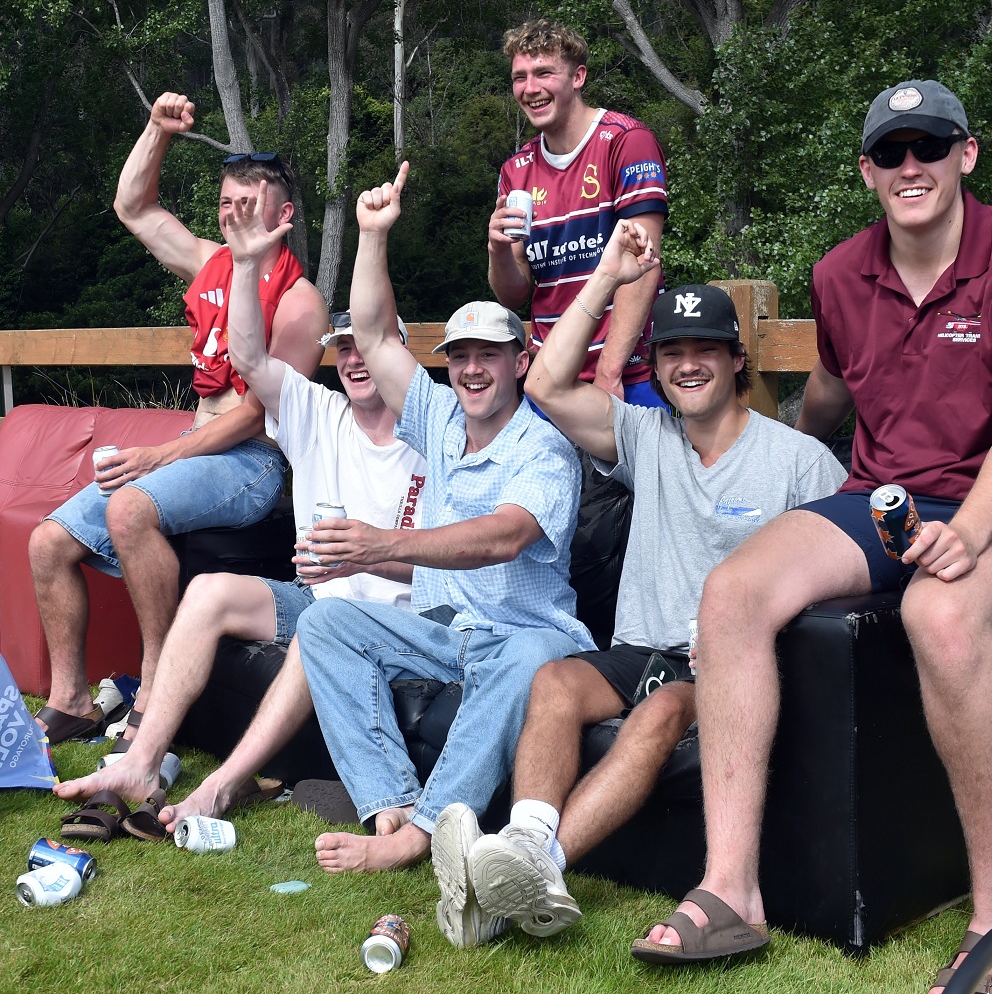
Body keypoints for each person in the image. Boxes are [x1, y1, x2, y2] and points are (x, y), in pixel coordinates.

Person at [632, 80, 992, 991]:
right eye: (891, 152)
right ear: (868, 172)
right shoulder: (842, 273)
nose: (910, 165)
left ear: (967, 153)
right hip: (887, 496)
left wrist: (974, 533)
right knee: (733, 592)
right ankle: (732, 891)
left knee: (942, 616)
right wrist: (788, 442)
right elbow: (836, 391)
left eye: (930, 146)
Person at [430, 221, 847, 947]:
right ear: (655, 366)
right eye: (673, 353)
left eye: (705, 351)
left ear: (737, 359)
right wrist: (608, 278)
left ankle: (534, 866)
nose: (689, 366)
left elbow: (842, 567)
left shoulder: (798, 461)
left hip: (722, 662)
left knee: (658, 717)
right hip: (636, 647)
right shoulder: (645, 436)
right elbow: (547, 382)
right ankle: (524, 844)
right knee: (554, 682)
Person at [53, 179, 427, 812]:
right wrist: (249, 264)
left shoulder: (434, 433)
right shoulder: (318, 414)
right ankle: (140, 764)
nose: (356, 359)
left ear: (396, 354)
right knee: (209, 592)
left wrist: (366, 555)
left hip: (400, 616)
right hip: (316, 598)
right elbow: (250, 358)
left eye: (370, 346)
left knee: (328, 619)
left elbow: (458, 561)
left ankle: (217, 787)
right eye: (342, 349)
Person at [289, 161, 594, 881]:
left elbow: (506, 536)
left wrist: (381, 545)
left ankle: (422, 830)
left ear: (522, 359)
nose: (473, 369)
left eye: (489, 354)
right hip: (444, 635)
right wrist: (371, 235)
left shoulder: (544, 448)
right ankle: (387, 802)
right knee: (324, 623)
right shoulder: (440, 418)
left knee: (526, 657)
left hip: (526, 636)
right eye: (460, 357)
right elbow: (369, 329)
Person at [30, 92, 327, 751]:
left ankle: (157, 680)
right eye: (225, 204)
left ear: (282, 214)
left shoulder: (302, 302)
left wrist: (162, 456)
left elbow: (256, 414)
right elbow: (134, 206)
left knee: (130, 507)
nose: (232, 214)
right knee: (47, 542)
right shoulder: (208, 262)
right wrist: (157, 131)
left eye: (246, 204)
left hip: (252, 467)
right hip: (195, 452)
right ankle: (70, 697)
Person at [488, 18, 668, 405]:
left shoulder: (626, 141)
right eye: (520, 77)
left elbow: (643, 264)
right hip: (550, 376)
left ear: (578, 77)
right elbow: (513, 294)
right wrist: (498, 250)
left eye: (544, 73)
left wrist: (610, 371)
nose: (530, 89)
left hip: (629, 375)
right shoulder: (515, 171)